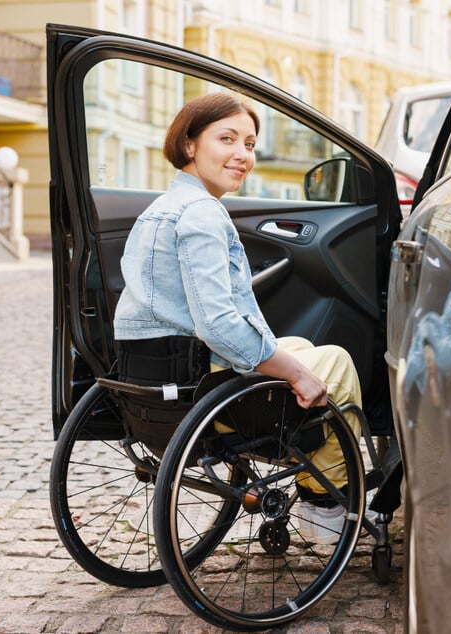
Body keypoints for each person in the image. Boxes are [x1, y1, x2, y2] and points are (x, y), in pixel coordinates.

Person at [112, 92, 363, 543]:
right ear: (189, 144)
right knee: (337, 363)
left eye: (248, 144)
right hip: (203, 382)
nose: (241, 155)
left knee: (302, 349)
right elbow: (218, 325)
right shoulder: (201, 214)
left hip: (155, 371)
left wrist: (287, 359)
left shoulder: (160, 209)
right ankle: (325, 499)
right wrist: (296, 376)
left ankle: (314, 470)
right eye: (226, 139)